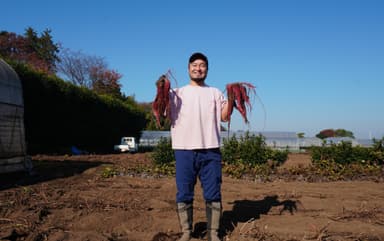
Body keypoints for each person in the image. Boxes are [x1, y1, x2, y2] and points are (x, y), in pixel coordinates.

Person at [169, 52, 229, 241]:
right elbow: (162, 111)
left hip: (210, 149)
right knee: (184, 191)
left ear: (207, 70)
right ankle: (186, 232)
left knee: (213, 191)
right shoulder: (176, 93)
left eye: (202, 65)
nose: (198, 68)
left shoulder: (215, 93)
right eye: (194, 65)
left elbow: (225, 117)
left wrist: (233, 99)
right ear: (188, 69)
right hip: (184, 149)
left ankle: (213, 233)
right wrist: (160, 88)